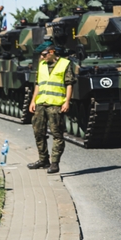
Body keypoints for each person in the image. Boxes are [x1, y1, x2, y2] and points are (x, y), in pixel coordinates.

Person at [26, 41, 77, 174]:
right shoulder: (41, 64)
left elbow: (69, 84)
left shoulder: (64, 64)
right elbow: (38, 84)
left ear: (52, 52)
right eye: (41, 55)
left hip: (55, 104)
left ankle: (54, 163)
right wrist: (33, 101)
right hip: (40, 104)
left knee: (57, 134)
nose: (42, 57)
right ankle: (43, 160)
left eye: (44, 54)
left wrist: (67, 102)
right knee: (38, 132)